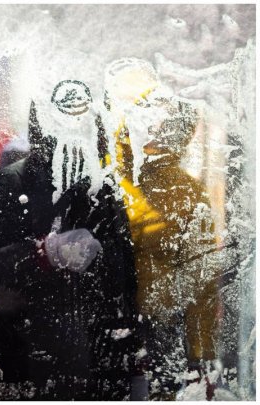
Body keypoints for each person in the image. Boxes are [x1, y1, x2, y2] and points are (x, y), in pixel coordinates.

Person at [0, 98, 139, 400]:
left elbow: (124, 271)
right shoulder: (15, 179)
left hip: (97, 353)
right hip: (30, 350)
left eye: (82, 119)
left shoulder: (103, 184)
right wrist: (41, 255)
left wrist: (130, 346)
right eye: (64, 119)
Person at [104, 58, 222, 400]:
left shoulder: (178, 189)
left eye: (155, 116)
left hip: (154, 323)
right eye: (138, 111)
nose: (150, 124)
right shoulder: (106, 177)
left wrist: (202, 353)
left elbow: (201, 279)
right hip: (117, 322)